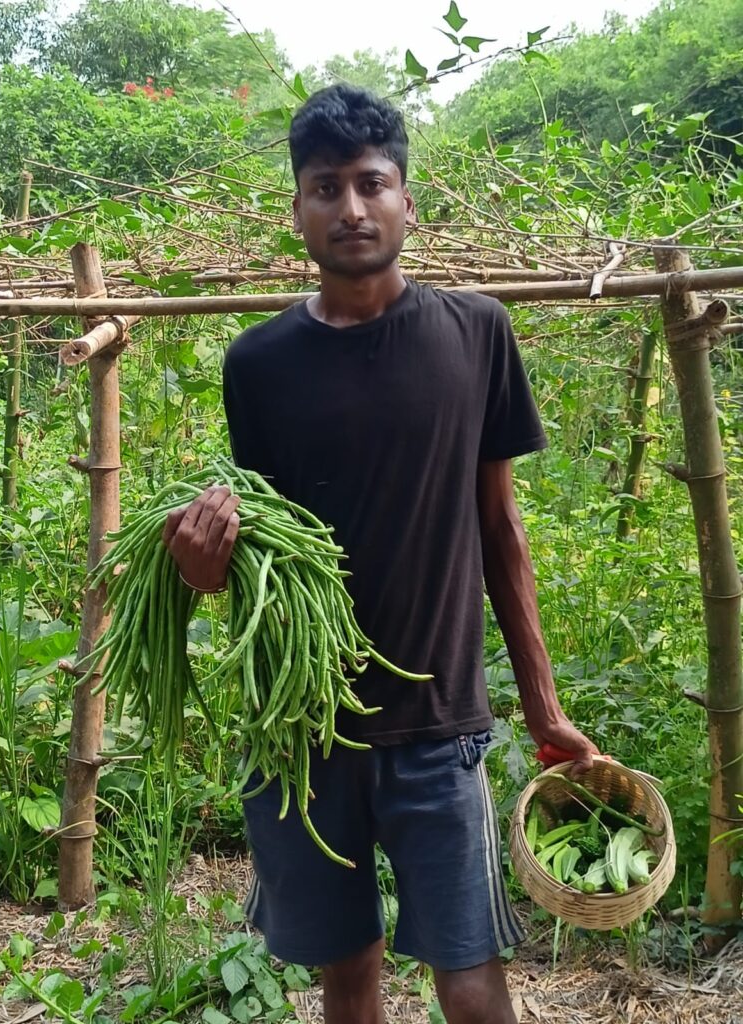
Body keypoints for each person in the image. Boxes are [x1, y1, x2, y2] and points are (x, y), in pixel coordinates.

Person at [163, 84, 598, 1024]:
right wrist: (203, 572)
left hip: (441, 725)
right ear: (298, 210)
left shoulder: (477, 332)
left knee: (471, 974)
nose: (351, 209)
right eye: (327, 188)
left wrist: (542, 705)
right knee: (345, 972)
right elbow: (266, 549)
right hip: (305, 727)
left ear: (406, 197)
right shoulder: (259, 363)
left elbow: (501, 531)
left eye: (371, 184)